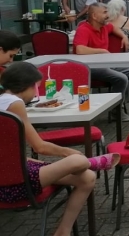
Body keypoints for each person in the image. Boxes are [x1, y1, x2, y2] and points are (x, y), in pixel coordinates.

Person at [0, 62, 120, 236]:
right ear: (26, 85)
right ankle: (88, 162)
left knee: (87, 178)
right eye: (36, 88)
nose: (36, 93)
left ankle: (63, 231)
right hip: (14, 185)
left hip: (10, 173)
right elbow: (39, 146)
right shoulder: (14, 103)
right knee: (77, 161)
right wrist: (69, 152)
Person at [73, 3, 129, 121]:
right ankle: (116, 111)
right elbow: (80, 50)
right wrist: (102, 51)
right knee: (121, 78)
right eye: (104, 12)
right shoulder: (84, 29)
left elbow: (114, 28)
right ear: (94, 15)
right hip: (89, 68)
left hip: (106, 65)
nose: (108, 15)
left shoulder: (104, 26)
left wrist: (124, 36)